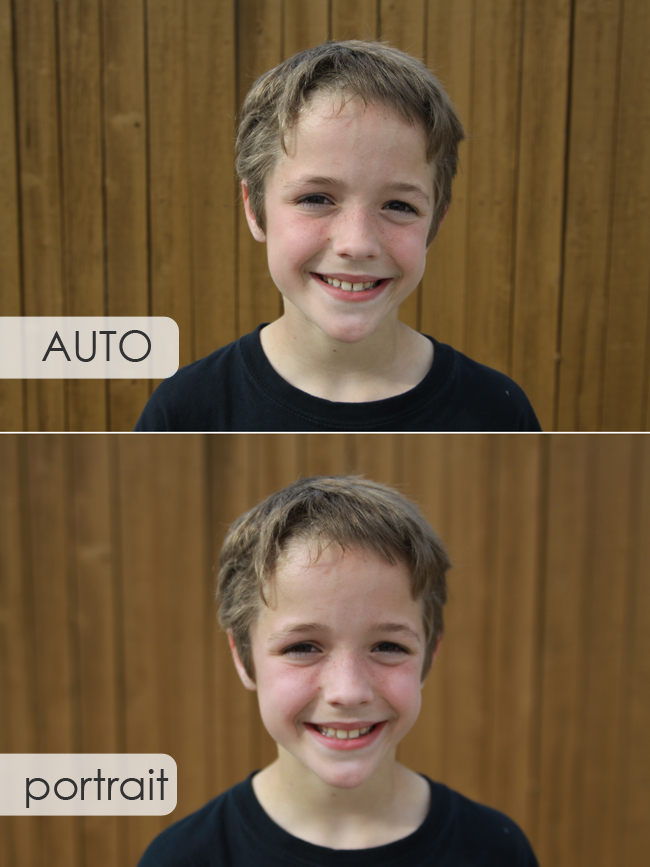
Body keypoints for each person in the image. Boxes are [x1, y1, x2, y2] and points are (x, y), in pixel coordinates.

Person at [134, 41, 541, 431]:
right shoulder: (184, 411)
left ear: (435, 223)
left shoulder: (498, 410)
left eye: (399, 206)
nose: (357, 243)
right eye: (316, 198)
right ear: (254, 209)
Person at [137, 476, 540, 866]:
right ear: (243, 658)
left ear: (428, 658)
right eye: (302, 647)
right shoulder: (182, 858)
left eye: (388, 647)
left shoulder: (495, 850)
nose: (347, 692)